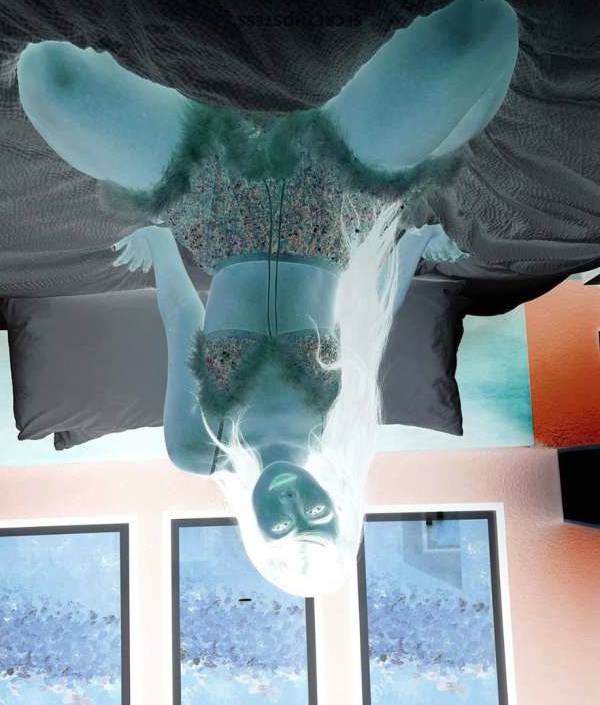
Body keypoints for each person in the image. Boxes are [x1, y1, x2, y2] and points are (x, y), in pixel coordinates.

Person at [15, 0, 518, 595]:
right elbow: (373, 314)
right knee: (476, 30)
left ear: (254, 534)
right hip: (335, 191)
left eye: (280, 526)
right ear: (340, 505)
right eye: (318, 517)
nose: (294, 505)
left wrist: (159, 239)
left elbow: (182, 318)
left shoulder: (198, 449)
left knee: (48, 77)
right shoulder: (342, 426)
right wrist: (415, 242)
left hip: (213, 202)